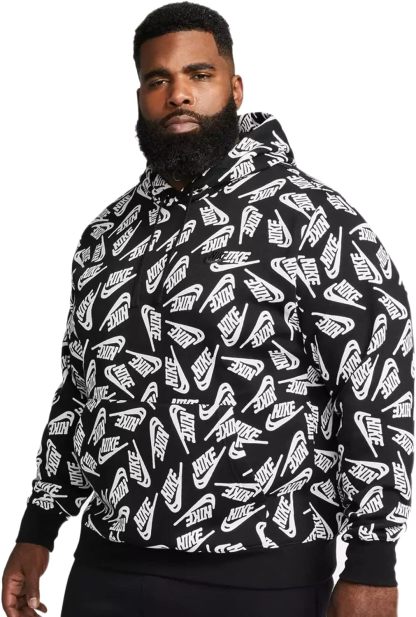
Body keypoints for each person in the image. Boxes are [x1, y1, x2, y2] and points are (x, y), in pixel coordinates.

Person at [2, 2, 414, 616]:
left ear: (235, 88)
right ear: (140, 96)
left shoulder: (313, 220)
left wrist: (373, 564)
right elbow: (81, 392)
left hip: (264, 570)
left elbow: (378, 385)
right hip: (108, 566)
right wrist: (38, 529)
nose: (178, 94)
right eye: (158, 79)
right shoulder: (108, 235)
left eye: (199, 74)